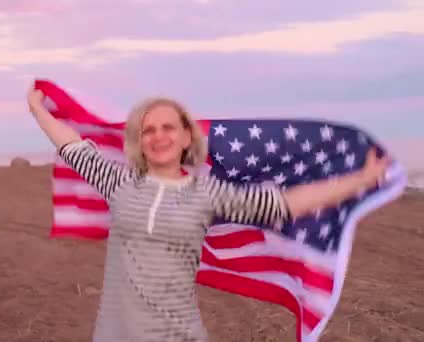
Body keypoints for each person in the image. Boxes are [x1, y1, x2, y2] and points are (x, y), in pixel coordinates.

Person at [26, 86, 389, 342]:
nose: (158, 136)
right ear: (140, 141)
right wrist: (38, 109)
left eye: (168, 127)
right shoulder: (119, 183)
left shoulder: (207, 194)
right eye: (148, 130)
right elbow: (72, 146)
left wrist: (361, 179)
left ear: (187, 137)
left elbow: (287, 203)